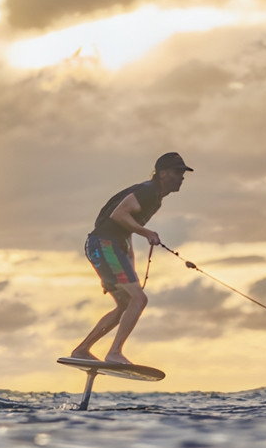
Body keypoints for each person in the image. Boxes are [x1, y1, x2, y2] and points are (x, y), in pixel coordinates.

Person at [69, 152, 194, 364]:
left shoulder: (156, 199)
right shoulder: (148, 191)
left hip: (107, 248)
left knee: (127, 304)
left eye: (182, 173)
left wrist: (129, 267)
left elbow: (125, 230)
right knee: (139, 299)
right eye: (177, 172)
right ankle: (114, 353)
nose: (181, 177)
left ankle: (81, 350)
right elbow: (118, 215)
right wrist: (147, 233)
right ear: (163, 173)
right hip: (104, 245)